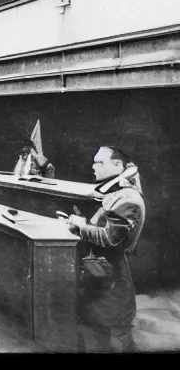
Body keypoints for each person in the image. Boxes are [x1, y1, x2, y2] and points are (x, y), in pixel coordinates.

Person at [66, 146, 146, 353]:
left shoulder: (128, 199)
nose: (93, 166)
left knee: (111, 332)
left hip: (111, 276)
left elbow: (110, 239)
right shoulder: (119, 193)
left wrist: (81, 226)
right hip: (103, 271)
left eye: (98, 162)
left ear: (118, 165)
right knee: (97, 330)